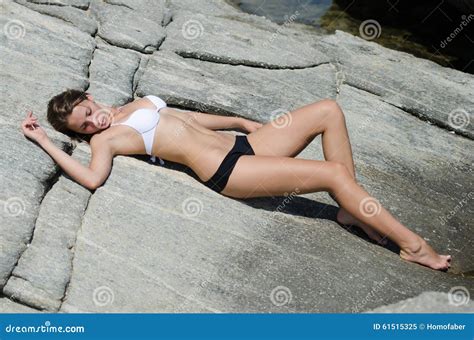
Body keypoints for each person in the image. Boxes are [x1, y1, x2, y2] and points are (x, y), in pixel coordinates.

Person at [20, 89, 452, 271]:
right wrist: (45, 142)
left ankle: (350, 211)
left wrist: (242, 121)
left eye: (89, 111)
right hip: (230, 171)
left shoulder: (137, 102)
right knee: (332, 174)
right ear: (83, 135)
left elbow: (188, 117)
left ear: (89, 97)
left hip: (247, 146)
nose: (95, 121)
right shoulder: (108, 141)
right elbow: (93, 180)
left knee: (328, 110)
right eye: (85, 127)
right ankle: (414, 248)